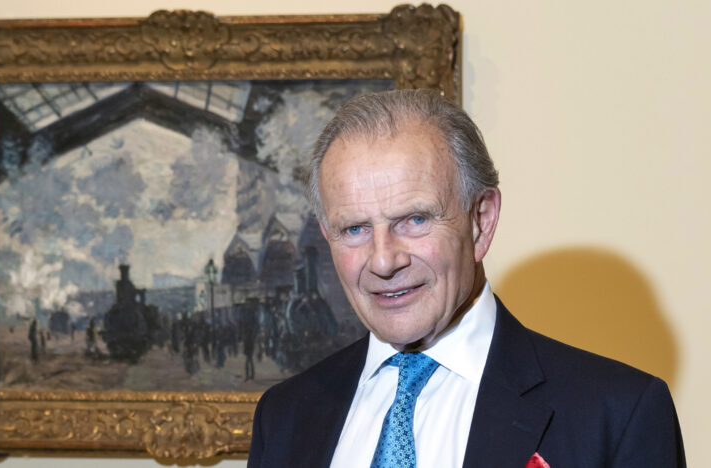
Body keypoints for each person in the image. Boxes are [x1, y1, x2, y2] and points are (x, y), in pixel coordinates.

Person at [248, 89, 685, 468]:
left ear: (481, 221)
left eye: (414, 219)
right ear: (327, 236)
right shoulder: (284, 417)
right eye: (354, 229)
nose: (382, 261)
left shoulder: (617, 413)